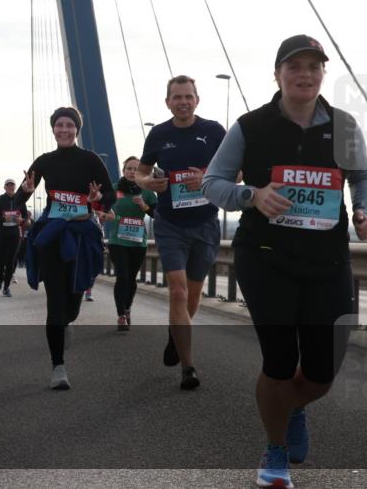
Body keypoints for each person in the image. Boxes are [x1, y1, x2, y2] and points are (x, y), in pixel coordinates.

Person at [202, 35, 367, 488]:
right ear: (277, 74)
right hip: (265, 258)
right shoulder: (249, 126)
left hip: (328, 261)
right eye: (294, 66)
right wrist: (251, 196)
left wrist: (362, 209)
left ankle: (294, 405)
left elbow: (362, 176)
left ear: (322, 73)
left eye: (313, 67)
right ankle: (274, 450)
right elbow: (212, 183)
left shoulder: (343, 126)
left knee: (322, 372)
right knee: (279, 363)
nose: (304, 75)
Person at [136, 75, 226, 390]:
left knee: (192, 294)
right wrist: (148, 184)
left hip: (205, 222)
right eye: (177, 97)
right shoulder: (159, 134)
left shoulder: (214, 131)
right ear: (168, 102)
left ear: (197, 100)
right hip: (169, 222)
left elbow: (237, 169)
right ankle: (188, 367)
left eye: (188, 96)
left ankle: (176, 335)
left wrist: (209, 177)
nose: (183, 102)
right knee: (177, 291)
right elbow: (142, 173)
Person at [17, 107, 115, 390]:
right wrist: (26, 189)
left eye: (69, 125)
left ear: (77, 129)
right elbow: (22, 194)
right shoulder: (45, 161)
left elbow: (108, 194)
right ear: (53, 129)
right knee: (55, 302)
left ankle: (67, 321)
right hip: (54, 233)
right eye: (59, 125)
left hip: (83, 234)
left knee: (72, 302)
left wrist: (98, 198)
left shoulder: (90, 160)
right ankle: (58, 365)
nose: (64, 129)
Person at [108, 156, 157, 330]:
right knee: (122, 276)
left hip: (138, 243)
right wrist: (106, 214)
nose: (132, 172)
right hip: (117, 241)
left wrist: (144, 206)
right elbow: (100, 207)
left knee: (131, 279)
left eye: (136, 169)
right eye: (129, 168)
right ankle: (121, 315)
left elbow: (158, 215)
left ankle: (127, 308)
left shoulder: (147, 191)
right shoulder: (114, 189)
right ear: (123, 171)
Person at [0, 178, 28, 296]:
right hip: (1, 235)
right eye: (8, 186)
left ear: (15, 187)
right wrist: (3, 219)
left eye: (12, 186)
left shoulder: (20, 201)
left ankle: (6, 287)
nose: (10, 187)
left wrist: (21, 220)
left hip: (14, 235)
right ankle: (1, 278)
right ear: (5, 187)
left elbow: (27, 220)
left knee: (10, 262)